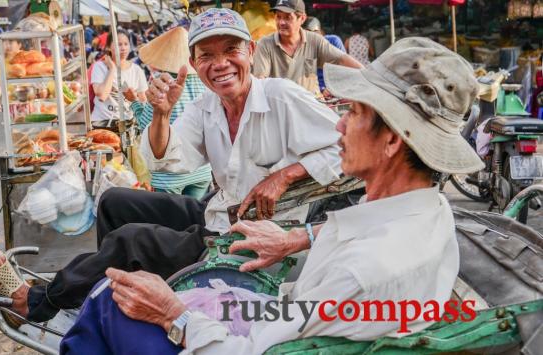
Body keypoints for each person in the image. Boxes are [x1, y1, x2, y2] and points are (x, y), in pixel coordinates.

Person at [60, 37, 485, 354]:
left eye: (352, 113)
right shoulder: (430, 210)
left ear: (392, 141)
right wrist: (300, 239)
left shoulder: (361, 272)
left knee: (109, 303)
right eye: (206, 56)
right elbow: (171, 162)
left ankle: (51, 304)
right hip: (282, 301)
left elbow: (258, 348)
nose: (338, 126)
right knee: (123, 222)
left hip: (261, 330)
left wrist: (176, 315)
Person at [0, 8, 342, 325]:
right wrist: (160, 114)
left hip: (252, 236)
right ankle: (103, 295)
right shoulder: (207, 106)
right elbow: (170, 156)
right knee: (114, 201)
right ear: (195, 62)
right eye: (207, 55)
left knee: (132, 241)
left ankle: (37, 303)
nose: (220, 64)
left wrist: (284, 175)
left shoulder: (281, 96)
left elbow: (346, 148)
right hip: (220, 212)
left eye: (231, 51)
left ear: (250, 52)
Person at [125, 27, 213, 199]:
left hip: (168, 175)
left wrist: (134, 101)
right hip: (201, 169)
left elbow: (146, 126)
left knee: (171, 223)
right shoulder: (205, 80)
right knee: (194, 219)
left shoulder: (162, 83)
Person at [253, 0, 362, 95]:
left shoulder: (315, 41)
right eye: (278, 16)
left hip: (311, 105)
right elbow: (261, 82)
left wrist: (368, 76)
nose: (281, 22)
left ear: (302, 18)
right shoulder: (265, 44)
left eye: (287, 17)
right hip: (280, 107)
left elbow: (342, 59)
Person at [90, 31, 148, 126]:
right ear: (108, 47)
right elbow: (102, 95)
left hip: (127, 124)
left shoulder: (137, 70)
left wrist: (134, 98)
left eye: (126, 44)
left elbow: (143, 100)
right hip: (102, 123)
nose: (123, 48)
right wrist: (112, 69)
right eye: (119, 44)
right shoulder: (99, 67)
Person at [302, 16, 346, 96]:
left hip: (338, 88)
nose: (310, 37)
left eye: (313, 33)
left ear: (320, 32)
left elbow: (344, 67)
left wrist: (333, 87)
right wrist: (322, 88)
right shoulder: (303, 48)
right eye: (306, 34)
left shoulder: (333, 40)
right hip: (316, 92)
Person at [0, 39, 23, 112]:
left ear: (19, 45)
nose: (7, 45)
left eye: (11, 42)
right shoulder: (1, 64)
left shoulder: (26, 58)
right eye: (5, 42)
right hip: (12, 103)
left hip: (30, 99)